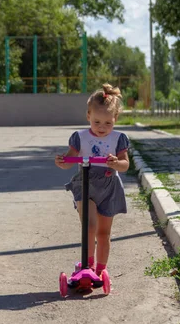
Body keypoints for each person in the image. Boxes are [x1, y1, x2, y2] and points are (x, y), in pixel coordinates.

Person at [55, 83, 129, 277]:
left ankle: (101, 269)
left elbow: (125, 164)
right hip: (85, 183)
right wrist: (63, 162)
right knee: (89, 226)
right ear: (88, 116)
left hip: (109, 186)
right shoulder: (80, 137)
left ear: (115, 119)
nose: (102, 128)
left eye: (107, 123)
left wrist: (116, 163)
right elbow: (70, 160)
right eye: (96, 122)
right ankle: (87, 266)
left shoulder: (118, 138)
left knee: (103, 232)